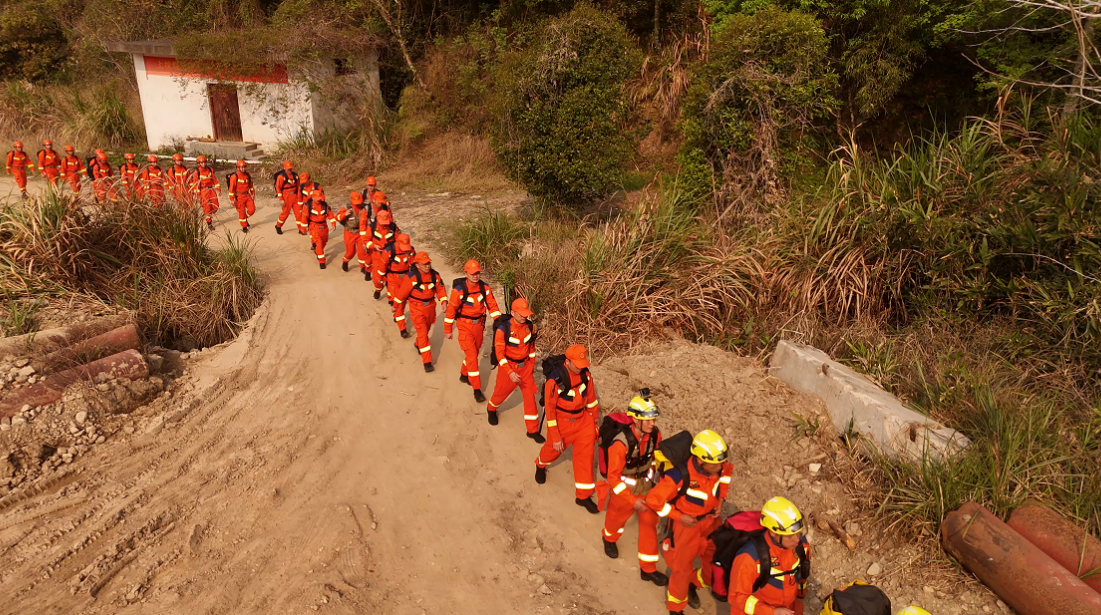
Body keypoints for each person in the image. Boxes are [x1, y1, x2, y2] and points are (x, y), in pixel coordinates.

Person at [645, 430, 733, 614]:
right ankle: (676, 608)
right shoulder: (679, 476)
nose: (721, 466)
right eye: (716, 464)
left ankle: (693, 583)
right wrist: (678, 516)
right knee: (681, 570)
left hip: (711, 523)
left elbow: (725, 476)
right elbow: (653, 500)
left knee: (715, 566)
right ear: (700, 461)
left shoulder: (719, 466)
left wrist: (721, 500)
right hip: (687, 527)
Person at [602, 395, 666, 587]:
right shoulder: (620, 444)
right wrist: (632, 500)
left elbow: (656, 456)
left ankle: (648, 569)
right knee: (616, 518)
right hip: (624, 491)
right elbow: (613, 477)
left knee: (649, 525)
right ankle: (609, 538)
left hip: (646, 488)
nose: (652, 423)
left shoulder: (655, 434)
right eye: (649, 420)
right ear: (636, 419)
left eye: (654, 419)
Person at [535, 344, 601, 513]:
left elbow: (592, 401)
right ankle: (540, 465)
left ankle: (583, 496)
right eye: (577, 365)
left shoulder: (586, 376)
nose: (581, 368)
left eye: (583, 364)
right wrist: (556, 437)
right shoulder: (555, 381)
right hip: (562, 421)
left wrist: (594, 423)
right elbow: (549, 411)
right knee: (552, 451)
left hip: (583, 420)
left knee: (585, 458)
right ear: (568, 362)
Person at [728, 497, 810, 615]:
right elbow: (736, 596)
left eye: (798, 533)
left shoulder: (801, 546)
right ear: (773, 532)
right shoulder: (749, 557)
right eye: (789, 536)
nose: (796, 539)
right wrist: (772, 612)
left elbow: (803, 573)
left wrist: (801, 596)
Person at [443, 260, 502, 403]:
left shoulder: (485, 288)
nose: (475, 276)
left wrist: (500, 323)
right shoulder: (459, 291)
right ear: (466, 274)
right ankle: (476, 389)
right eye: (472, 273)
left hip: (479, 326)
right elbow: (451, 311)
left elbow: (492, 305)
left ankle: (464, 374)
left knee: (474, 352)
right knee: (472, 357)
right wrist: (448, 329)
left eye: (477, 273)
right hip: (464, 326)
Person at [485, 298, 543, 440]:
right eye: (521, 313)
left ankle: (533, 430)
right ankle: (491, 409)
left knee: (530, 397)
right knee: (500, 394)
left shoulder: (530, 327)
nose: (524, 316)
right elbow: (499, 353)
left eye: (526, 314)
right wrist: (510, 372)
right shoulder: (503, 330)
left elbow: (531, 348)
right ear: (512, 313)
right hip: (508, 369)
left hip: (526, 369)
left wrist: (530, 365)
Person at [391, 252, 447, 372]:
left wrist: (443, 301)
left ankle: (418, 344)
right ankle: (427, 362)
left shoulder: (435, 276)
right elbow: (402, 293)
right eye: (424, 264)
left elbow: (440, 289)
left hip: (431, 307)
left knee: (426, 330)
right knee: (422, 333)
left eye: (428, 263)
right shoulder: (412, 277)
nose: (427, 266)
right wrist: (396, 306)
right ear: (417, 265)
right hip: (416, 308)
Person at [386, 233, 416, 336]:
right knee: (399, 303)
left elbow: (414, 263)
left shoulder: (411, 250)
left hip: (407, 278)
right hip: (393, 279)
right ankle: (402, 329)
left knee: (406, 302)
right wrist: (381, 279)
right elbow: (382, 265)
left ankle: (397, 315)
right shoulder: (390, 250)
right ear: (397, 243)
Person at [367, 209, 399, 296]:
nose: (384, 224)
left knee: (391, 277)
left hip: (390, 256)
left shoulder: (393, 227)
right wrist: (373, 246)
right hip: (377, 256)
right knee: (378, 278)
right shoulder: (372, 227)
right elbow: (366, 240)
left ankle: (391, 296)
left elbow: (398, 239)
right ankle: (378, 289)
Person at [336, 192, 369, 272]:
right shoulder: (346, 207)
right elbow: (337, 217)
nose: (357, 205)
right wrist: (344, 214)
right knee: (350, 252)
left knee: (362, 252)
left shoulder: (365, 208)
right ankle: (345, 261)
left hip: (360, 232)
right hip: (349, 232)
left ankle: (362, 267)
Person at [304, 189, 336, 269]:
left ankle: (317, 250)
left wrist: (333, 224)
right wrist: (303, 228)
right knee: (319, 243)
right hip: (314, 226)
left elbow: (330, 215)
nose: (319, 200)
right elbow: (304, 216)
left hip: (324, 227)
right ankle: (322, 261)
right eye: (317, 199)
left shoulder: (325, 205)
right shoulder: (309, 205)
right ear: (313, 197)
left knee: (324, 242)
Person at [191, 156, 220, 230]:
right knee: (207, 208)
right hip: (203, 192)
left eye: (204, 162)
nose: (203, 164)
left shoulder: (210, 170)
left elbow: (214, 180)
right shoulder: (196, 172)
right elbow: (196, 185)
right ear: (198, 164)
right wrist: (198, 196)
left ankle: (210, 215)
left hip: (211, 190)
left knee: (215, 206)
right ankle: (209, 223)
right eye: (201, 163)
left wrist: (218, 189)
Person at [273, 161, 302, 235]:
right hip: (286, 196)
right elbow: (278, 188)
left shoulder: (295, 176)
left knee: (299, 213)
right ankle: (278, 226)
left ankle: (300, 228)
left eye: (291, 169)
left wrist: (300, 197)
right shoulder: (281, 177)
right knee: (285, 213)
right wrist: (281, 199)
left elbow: (299, 187)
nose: (290, 170)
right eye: (288, 169)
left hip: (295, 196)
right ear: (284, 168)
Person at [227, 160, 255, 232]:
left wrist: (253, 193)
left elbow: (251, 185)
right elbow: (231, 189)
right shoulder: (234, 177)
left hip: (247, 195)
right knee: (241, 212)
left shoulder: (248, 175)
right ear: (237, 168)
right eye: (241, 167)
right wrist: (232, 199)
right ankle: (244, 226)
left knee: (252, 210)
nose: (243, 169)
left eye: (244, 167)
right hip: (239, 197)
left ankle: (244, 219)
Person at [296, 172, 322, 236]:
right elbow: (299, 198)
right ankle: (306, 231)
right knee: (305, 220)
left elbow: (322, 197)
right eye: (303, 182)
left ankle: (320, 234)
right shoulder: (301, 186)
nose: (304, 183)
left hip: (316, 206)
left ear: (309, 179)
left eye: (305, 181)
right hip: (306, 206)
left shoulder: (316, 186)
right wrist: (300, 208)